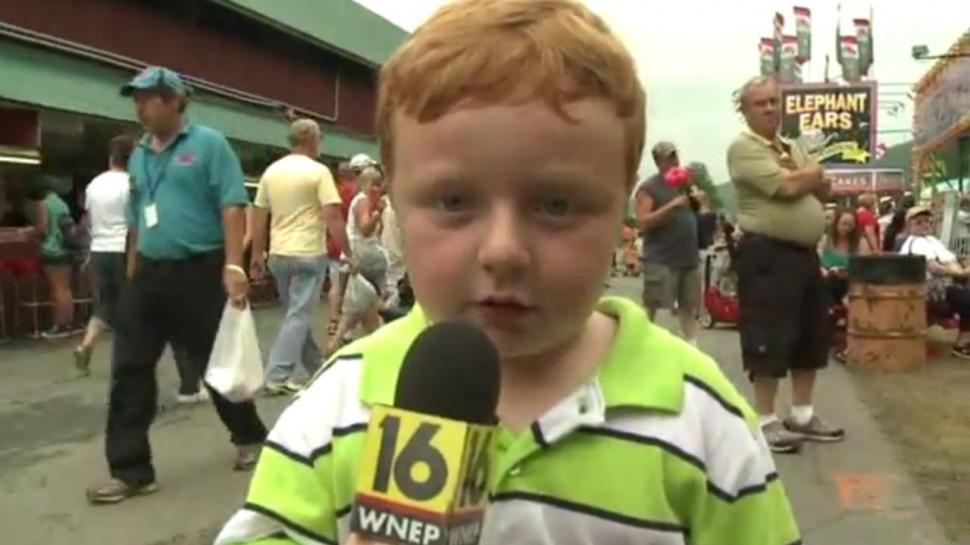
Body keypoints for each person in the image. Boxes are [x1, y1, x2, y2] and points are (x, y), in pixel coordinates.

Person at [216, 2, 799, 544]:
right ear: (396, 198)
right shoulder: (341, 401)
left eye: (556, 205)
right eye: (453, 201)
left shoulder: (700, 417)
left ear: (621, 209)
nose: (502, 251)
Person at [86, 66, 267, 504]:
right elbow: (136, 218)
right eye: (135, 99)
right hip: (149, 273)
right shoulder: (139, 155)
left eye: (147, 98)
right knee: (129, 368)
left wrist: (233, 265)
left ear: (173, 100)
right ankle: (131, 470)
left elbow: (231, 205)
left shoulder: (209, 144)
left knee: (213, 363)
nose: (139, 107)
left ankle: (249, 434)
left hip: (199, 270)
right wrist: (133, 273)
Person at [727, 75, 844, 455]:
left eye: (774, 101)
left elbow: (826, 189)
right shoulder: (744, 148)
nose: (769, 108)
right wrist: (811, 174)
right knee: (769, 335)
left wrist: (809, 177)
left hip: (803, 255)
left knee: (811, 333)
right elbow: (787, 187)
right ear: (745, 110)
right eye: (760, 103)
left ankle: (802, 415)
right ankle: (765, 420)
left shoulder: (792, 147)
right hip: (766, 254)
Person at [249, 119, 352, 395]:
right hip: (308, 251)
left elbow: (259, 214)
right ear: (312, 140)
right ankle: (277, 375)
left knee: (296, 314)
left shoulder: (272, 172)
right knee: (298, 315)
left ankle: (317, 368)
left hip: (279, 253)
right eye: (320, 138)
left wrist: (257, 253)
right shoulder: (319, 172)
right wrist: (348, 251)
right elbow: (332, 216)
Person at [74, 135, 134, 372]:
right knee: (129, 305)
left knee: (103, 305)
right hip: (124, 250)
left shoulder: (94, 185)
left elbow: (88, 221)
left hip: (99, 250)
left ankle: (86, 345)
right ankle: (125, 358)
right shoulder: (131, 184)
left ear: (111, 158)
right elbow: (135, 222)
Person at [633, 141, 700, 345]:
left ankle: (693, 348)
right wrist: (670, 206)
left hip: (688, 257)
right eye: (669, 157)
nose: (674, 161)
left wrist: (698, 200)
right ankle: (639, 344)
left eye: (675, 156)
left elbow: (698, 211)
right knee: (652, 304)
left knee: (688, 307)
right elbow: (642, 222)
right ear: (659, 161)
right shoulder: (649, 188)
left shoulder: (684, 183)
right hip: (661, 258)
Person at [899, 206, 970, 358]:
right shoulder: (915, 243)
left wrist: (959, 270)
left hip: (942, 287)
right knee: (966, 299)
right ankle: (962, 343)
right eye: (919, 222)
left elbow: (950, 260)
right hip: (930, 291)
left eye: (927, 221)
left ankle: (964, 341)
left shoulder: (931, 240)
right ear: (909, 226)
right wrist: (960, 272)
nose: (924, 225)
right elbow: (934, 268)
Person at [324, 160, 364, 337]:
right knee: (352, 286)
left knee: (335, 285)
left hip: (333, 243)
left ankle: (334, 320)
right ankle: (350, 324)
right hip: (351, 243)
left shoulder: (332, 192)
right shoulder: (357, 194)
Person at [36, 181, 78, 339]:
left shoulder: (44, 204)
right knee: (65, 289)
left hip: (52, 250)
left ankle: (59, 325)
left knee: (56, 289)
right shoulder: (62, 204)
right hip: (66, 249)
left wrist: (32, 234)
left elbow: (42, 229)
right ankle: (68, 324)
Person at [819, 208, 873, 306]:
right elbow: (817, 263)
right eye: (843, 224)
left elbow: (866, 268)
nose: (847, 228)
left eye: (850, 225)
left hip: (851, 285)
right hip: (827, 284)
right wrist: (825, 271)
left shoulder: (861, 243)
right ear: (836, 223)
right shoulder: (825, 241)